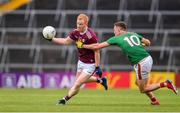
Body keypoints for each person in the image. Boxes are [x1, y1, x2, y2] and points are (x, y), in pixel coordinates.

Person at [76, 21, 178, 105]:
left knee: (143, 89)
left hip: (141, 62)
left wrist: (82, 46)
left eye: (114, 29)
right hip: (147, 58)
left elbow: (97, 47)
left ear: (119, 29)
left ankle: (165, 84)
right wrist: (138, 45)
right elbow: (148, 42)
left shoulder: (116, 38)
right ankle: (154, 100)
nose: (114, 31)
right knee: (137, 83)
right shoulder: (133, 33)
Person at [42, 14, 108, 105]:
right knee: (79, 82)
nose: (78, 26)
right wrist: (52, 39)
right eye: (77, 23)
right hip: (81, 62)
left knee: (77, 84)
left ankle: (64, 100)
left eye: (81, 24)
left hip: (90, 64)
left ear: (86, 24)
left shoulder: (90, 35)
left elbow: (97, 50)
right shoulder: (75, 32)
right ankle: (101, 80)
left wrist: (97, 67)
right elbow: (66, 41)